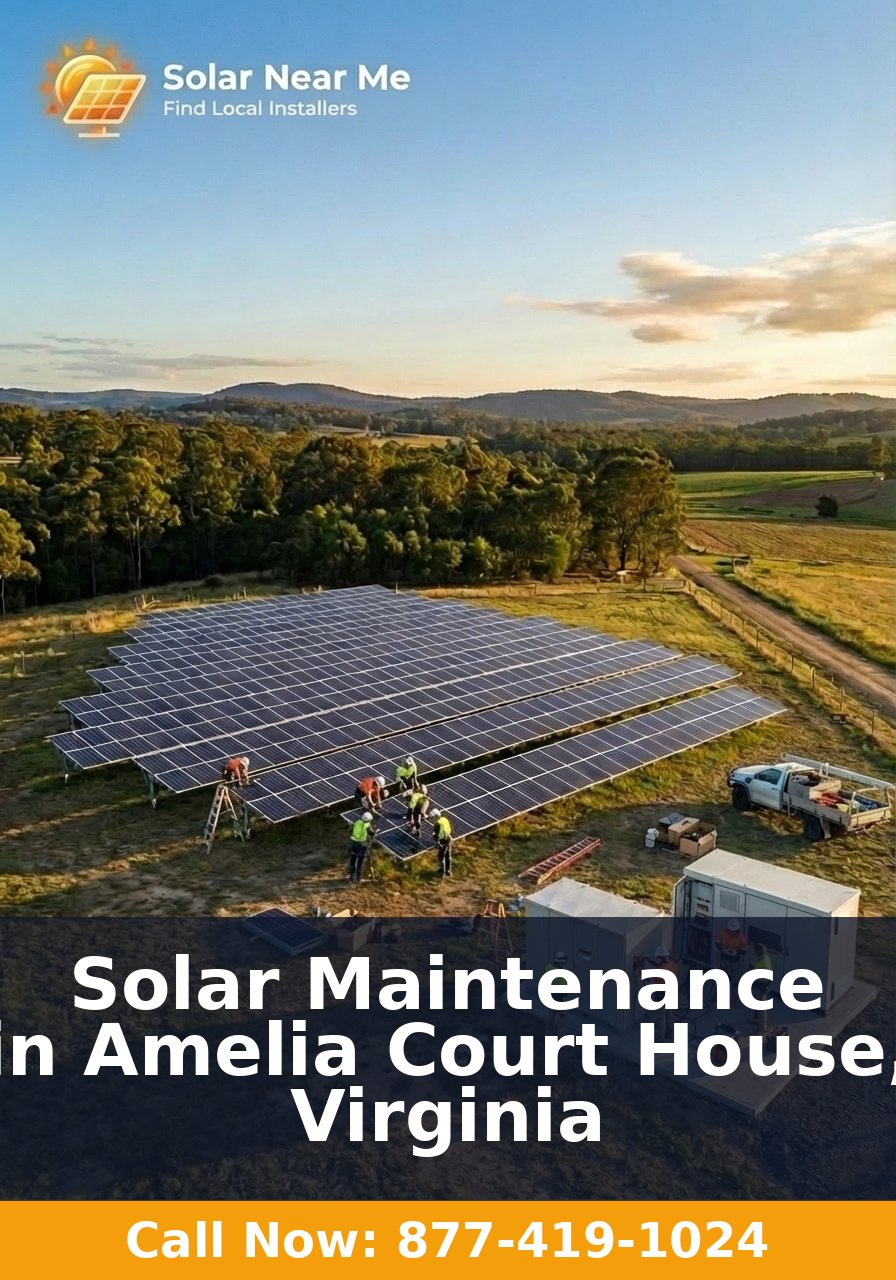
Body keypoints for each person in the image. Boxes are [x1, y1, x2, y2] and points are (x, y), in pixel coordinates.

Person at [651, 944, 679, 1037]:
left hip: (661, 994)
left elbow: (651, 979)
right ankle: (670, 1033)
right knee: (669, 1014)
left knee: (661, 1017)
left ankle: (660, 1037)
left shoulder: (659, 970)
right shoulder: (672, 964)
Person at [347, 812, 374, 884]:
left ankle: (351, 877)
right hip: (360, 845)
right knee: (360, 862)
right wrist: (375, 832)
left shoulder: (357, 822)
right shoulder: (367, 825)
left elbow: (351, 830)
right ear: (368, 820)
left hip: (352, 843)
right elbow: (372, 833)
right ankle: (358, 879)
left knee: (352, 860)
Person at [430, 809, 453, 877]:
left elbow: (437, 835)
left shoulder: (437, 824)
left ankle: (442, 872)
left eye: (432, 818)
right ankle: (448, 871)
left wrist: (437, 843)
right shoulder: (444, 819)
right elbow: (449, 828)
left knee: (441, 856)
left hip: (443, 841)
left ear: (436, 816)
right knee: (448, 856)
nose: (432, 820)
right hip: (449, 839)